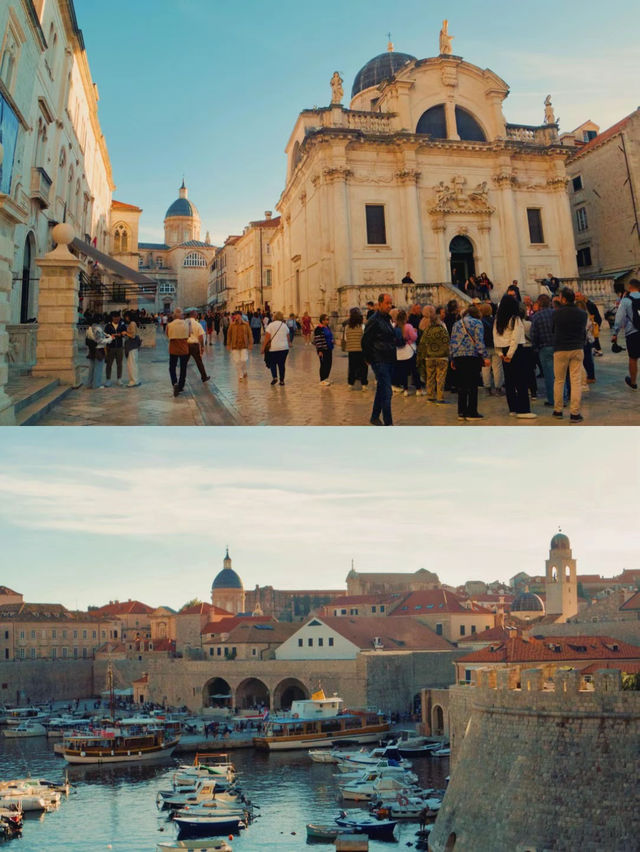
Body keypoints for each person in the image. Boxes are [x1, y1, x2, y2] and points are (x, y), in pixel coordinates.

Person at [493, 296, 536, 419]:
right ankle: (524, 410)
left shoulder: (497, 320)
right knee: (521, 380)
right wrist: (510, 355)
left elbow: (496, 338)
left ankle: (513, 408)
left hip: (504, 351)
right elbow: (515, 338)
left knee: (510, 381)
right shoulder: (515, 319)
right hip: (515, 351)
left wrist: (501, 354)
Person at [552, 287, 587, 422]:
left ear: (564, 299)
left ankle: (558, 410)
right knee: (576, 381)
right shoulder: (582, 314)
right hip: (577, 347)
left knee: (559, 380)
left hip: (560, 348)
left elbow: (553, 330)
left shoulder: (556, 313)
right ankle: (574, 413)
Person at [449, 305, 489, 421]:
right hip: (472, 356)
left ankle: (461, 412)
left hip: (459, 356)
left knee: (462, 385)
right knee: (472, 384)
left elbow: (452, 341)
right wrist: (485, 356)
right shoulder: (477, 323)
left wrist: (452, 358)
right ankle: (472, 412)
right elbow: (479, 341)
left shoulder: (457, 324)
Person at [362, 293, 396, 426]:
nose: (389, 306)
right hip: (379, 360)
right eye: (387, 303)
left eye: (390, 303)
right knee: (387, 392)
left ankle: (375, 416)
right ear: (380, 303)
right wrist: (368, 358)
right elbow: (365, 340)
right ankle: (388, 424)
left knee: (382, 389)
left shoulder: (387, 319)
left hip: (388, 359)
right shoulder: (374, 320)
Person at [417, 305, 450, 405]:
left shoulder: (427, 331)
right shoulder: (442, 329)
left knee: (430, 377)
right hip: (442, 357)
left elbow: (422, 344)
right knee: (440, 378)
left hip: (429, 357)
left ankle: (430, 396)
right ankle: (440, 397)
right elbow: (447, 341)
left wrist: (421, 357)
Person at [612, 277, 640, 390]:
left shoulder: (625, 300)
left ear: (630, 287)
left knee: (633, 358)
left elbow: (619, 319)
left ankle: (633, 382)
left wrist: (615, 333)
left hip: (632, 333)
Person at [530, 293, 555, 407]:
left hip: (544, 347)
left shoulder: (536, 317)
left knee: (549, 375)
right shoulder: (556, 313)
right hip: (558, 346)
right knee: (559, 375)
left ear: (539, 303)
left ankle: (552, 399)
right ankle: (563, 397)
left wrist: (535, 347)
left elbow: (533, 334)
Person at [478, 302, 503, 395]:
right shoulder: (495, 320)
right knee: (497, 368)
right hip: (495, 345)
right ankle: (498, 388)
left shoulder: (480, 321)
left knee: (485, 368)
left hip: (485, 346)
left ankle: (487, 387)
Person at [394, 309, 418, 396]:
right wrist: (415, 332)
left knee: (403, 372)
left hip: (399, 352)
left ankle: (405, 390)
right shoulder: (408, 326)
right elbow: (414, 337)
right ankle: (418, 389)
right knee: (414, 370)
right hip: (409, 351)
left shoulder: (396, 327)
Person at [342, 307, 368, 390]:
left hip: (351, 350)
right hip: (361, 350)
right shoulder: (362, 327)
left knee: (352, 368)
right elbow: (365, 339)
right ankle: (364, 384)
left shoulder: (347, 327)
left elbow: (346, 339)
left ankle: (350, 384)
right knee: (363, 368)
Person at [167, 307, 190, 397]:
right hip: (184, 348)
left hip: (173, 348)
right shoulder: (186, 324)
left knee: (172, 367)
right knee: (183, 368)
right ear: (181, 315)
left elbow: (167, 334)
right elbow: (188, 335)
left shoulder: (170, 325)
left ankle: (174, 383)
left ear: (174, 315)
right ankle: (181, 386)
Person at [262, 311, 289, 386]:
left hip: (273, 348)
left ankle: (275, 377)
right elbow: (288, 336)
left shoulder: (271, 325)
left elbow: (267, 338)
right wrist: (289, 344)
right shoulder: (284, 325)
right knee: (281, 364)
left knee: (273, 363)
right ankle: (282, 380)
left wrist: (263, 347)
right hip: (284, 348)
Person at [85, 319, 113, 389]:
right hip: (99, 350)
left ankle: (89, 384)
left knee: (92, 368)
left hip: (92, 349)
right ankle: (96, 384)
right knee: (98, 368)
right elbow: (100, 341)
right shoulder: (98, 329)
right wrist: (110, 339)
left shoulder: (89, 329)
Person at [186, 310, 210, 383]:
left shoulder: (184, 323)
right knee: (199, 362)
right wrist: (202, 347)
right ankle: (204, 377)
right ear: (195, 315)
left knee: (184, 362)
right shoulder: (197, 324)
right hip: (194, 345)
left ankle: (181, 379)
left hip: (186, 345)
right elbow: (201, 337)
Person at [227, 311, 252, 380]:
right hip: (235, 345)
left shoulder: (246, 325)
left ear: (241, 316)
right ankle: (240, 374)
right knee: (237, 360)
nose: (237, 316)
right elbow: (229, 335)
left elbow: (250, 334)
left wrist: (250, 344)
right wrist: (228, 344)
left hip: (244, 345)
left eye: (238, 315)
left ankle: (244, 371)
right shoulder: (232, 325)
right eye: (236, 315)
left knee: (243, 359)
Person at [104, 311, 127, 387]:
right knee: (109, 364)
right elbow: (105, 335)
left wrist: (121, 334)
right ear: (112, 318)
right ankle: (108, 379)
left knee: (119, 364)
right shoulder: (108, 326)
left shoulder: (122, 325)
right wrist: (111, 336)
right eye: (115, 317)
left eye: (118, 317)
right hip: (110, 347)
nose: (117, 319)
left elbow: (125, 333)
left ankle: (119, 379)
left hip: (119, 347)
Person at [313, 314, 335, 386]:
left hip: (329, 348)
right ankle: (322, 379)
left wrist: (332, 341)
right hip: (323, 349)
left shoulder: (327, 327)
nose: (328, 321)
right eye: (326, 319)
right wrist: (319, 350)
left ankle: (326, 378)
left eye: (328, 319)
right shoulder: (318, 329)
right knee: (324, 364)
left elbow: (329, 336)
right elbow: (318, 340)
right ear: (322, 320)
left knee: (329, 363)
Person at [123, 311, 141, 387]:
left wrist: (125, 333)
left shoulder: (132, 323)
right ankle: (135, 380)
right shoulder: (133, 323)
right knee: (133, 363)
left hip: (132, 346)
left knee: (132, 364)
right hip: (133, 346)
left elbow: (132, 335)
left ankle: (133, 381)